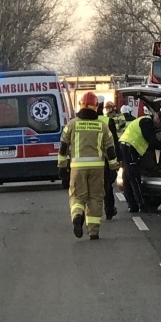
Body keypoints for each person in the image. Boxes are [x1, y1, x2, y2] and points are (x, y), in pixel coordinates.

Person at [58, 91, 115, 240]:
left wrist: (61, 166)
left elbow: (63, 147)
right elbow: (110, 149)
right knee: (96, 198)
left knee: (77, 196)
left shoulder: (72, 124)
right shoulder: (102, 126)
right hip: (97, 168)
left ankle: (77, 216)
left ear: (80, 106)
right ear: (96, 107)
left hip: (77, 168)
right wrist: (113, 168)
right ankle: (94, 231)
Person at [119, 107, 158, 214]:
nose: (159, 122)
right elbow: (152, 141)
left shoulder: (143, 121)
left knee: (127, 177)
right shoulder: (146, 121)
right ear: (155, 116)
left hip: (126, 146)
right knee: (134, 177)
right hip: (129, 148)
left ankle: (132, 205)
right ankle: (142, 205)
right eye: (160, 119)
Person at [96, 101, 120, 220]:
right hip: (105, 159)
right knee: (107, 186)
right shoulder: (107, 121)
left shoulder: (81, 122)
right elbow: (114, 142)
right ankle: (109, 210)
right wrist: (117, 160)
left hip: (88, 158)